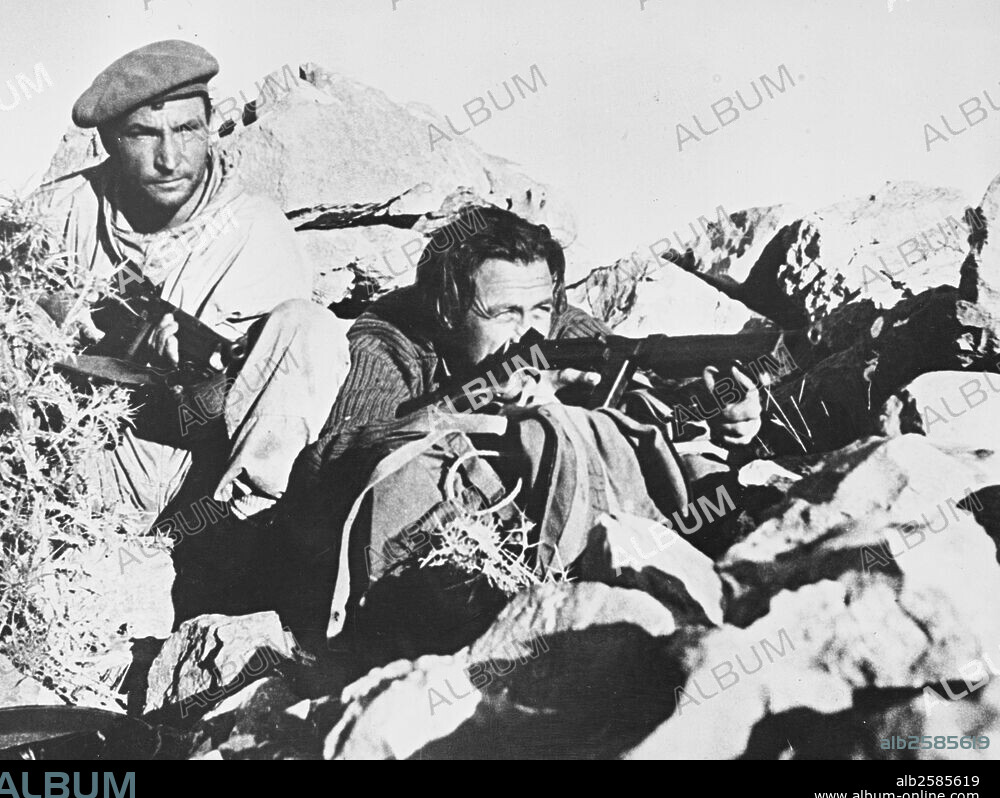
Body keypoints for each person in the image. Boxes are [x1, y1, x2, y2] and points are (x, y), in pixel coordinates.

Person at [279, 205, 761, 651]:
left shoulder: (556, 323)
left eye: (541, 311)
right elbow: (342, 457)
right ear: (447, 310)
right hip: (439, 549)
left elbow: (651, 381)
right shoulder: (389, 337)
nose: (528, 332)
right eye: (504, 314)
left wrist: (715, 405)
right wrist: (483, 403)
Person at [36, 40, 349, 617]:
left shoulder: (253, 228)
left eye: (187, 130)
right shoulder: (61, 214)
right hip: (90, 463)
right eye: (144, 135)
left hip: (201, 473)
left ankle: (239, 539)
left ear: (212, 126)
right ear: (107, 142)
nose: (170, 159)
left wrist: (150, 350)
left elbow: (228, 399)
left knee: (311, 329)